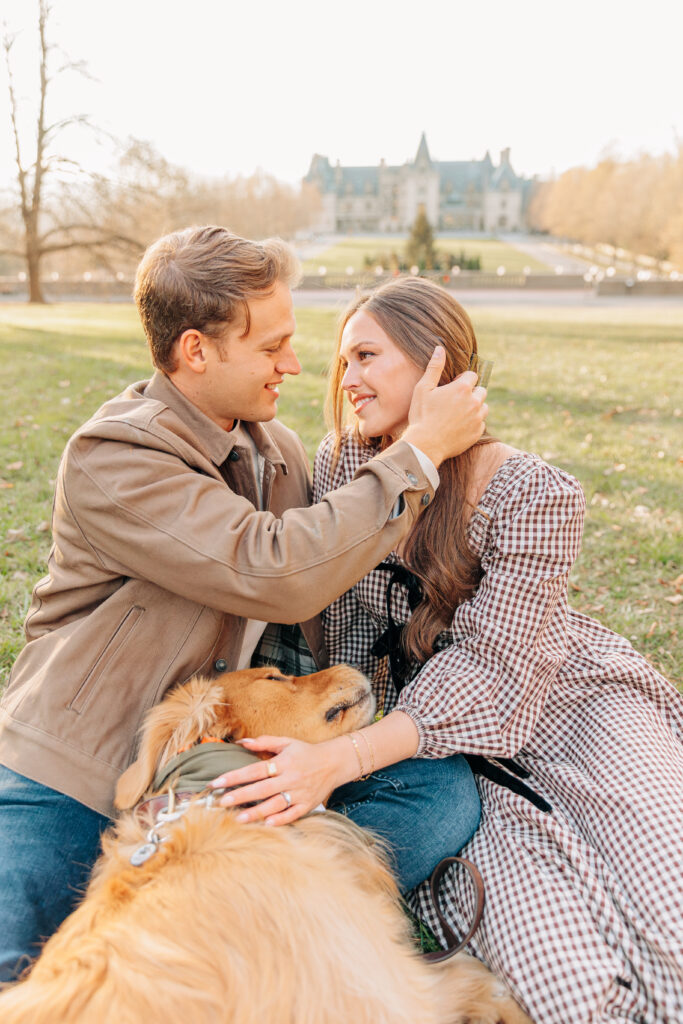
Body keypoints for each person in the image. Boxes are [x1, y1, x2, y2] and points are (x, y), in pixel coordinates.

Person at [0, 229, 488, 981]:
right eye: (272, 347)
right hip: (83, 767)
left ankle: (267, 920)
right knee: (21, 973)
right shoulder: (113, 456)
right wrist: (417, 452)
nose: (294, 365)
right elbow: (276, 570)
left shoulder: (280, 451)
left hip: (225, 759)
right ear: (195, 351)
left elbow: (335, 568)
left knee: (437, 794)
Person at [216, 276, 683, 1024]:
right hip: (440, 753)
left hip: (574, 709)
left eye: (366, 355)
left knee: (670, 919)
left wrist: (342, 760)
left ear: (435, 364)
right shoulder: (343, 467)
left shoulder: (535, 493)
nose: (349, 379)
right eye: (344, 363)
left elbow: (498, 671)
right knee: (568, 985)